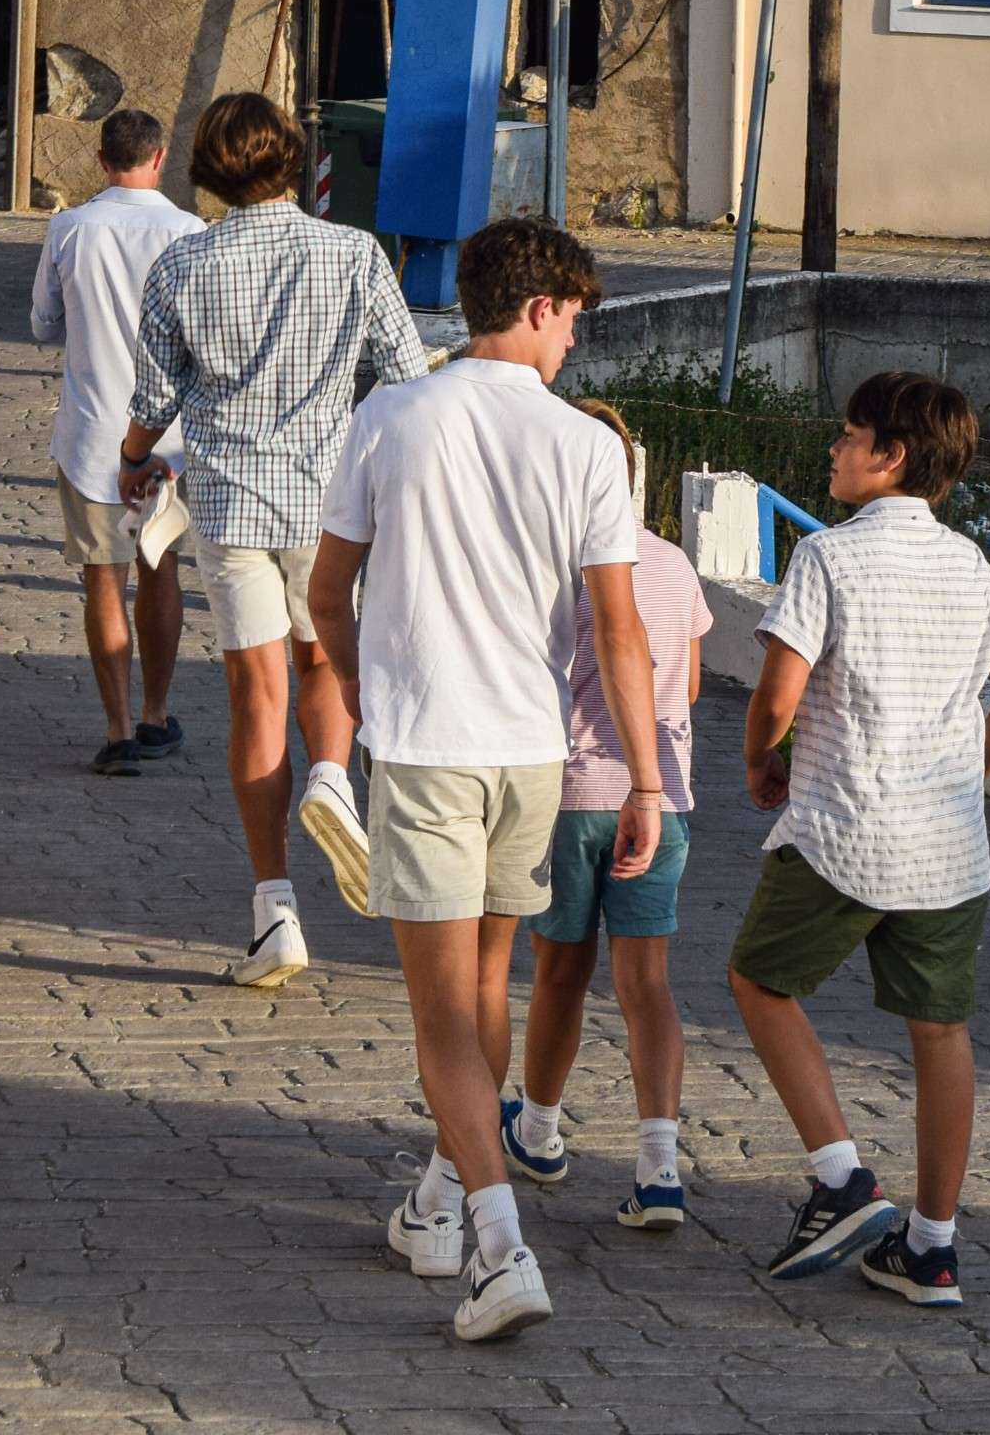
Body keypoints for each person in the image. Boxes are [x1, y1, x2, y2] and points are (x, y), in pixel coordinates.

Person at [308, 214, 662, 1349]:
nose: (573, 349)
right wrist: (646, 780)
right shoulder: (587, 446)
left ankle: (498, 1241)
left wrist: (365, 688)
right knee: (489, 994)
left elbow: (327, 594)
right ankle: (439, 1198)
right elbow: (620, 628)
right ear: (543, 306)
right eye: (574, 323)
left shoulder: (393, 414)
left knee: (438, 1016)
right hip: (531, 750)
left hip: (427, 743)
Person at [727, 369, 990, 1307]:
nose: (833, 449)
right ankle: (932, 1249)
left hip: (842, 831)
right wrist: (969, 777)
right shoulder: (970, 566)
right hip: (947, 848)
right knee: (941, 1033)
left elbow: (777, 694)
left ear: (890, 457)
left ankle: (842, 1180)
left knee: (759, 981)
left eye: (847, 435)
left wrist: (760, 763)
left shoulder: (828, 559)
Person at [118, 89, 426, 989]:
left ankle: (273, 909)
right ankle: (333, 772)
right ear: (293, 156)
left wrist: (136, 460)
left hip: (229, 504)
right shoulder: (354, 255)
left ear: (210, 169)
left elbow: (151, 404)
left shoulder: (181, 267)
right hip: (331, 499)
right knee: (322, 659)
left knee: (255, 696)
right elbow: (406, 376)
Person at [501, 398, 713, 1230]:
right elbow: (689, 686)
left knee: (560, 972)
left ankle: (542, 1128)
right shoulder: (673, 566)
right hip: (662, 795)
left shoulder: (552, 568)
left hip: (571, 795)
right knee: (648, 984)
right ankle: (659, 1165)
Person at [29, 108, 197, 774]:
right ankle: (157, 713)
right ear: (159, 159)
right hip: (169, 439)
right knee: (162, 568)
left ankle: (118, 727)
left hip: (95, 434)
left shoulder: (70, 227)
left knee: (104, 575)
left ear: (102, 161)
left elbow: (43, 323)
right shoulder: (188, 232)